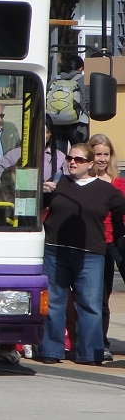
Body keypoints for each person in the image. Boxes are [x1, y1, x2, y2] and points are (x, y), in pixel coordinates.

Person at [39, 143, 125, 365]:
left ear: (90, 164)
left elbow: (121, 211)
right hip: (56, 251)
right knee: (54, 303)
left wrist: (119, 237)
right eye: (69, 158)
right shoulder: (58, 183)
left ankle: (90, 353)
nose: (72, 163)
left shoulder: (106, 190)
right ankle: (51, 350)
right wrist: (43, 193)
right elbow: (36, 208)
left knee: (90, 305)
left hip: (90, 254)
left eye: (78, 159)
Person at [88, 134, 125, 363]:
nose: (102, 159)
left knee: (105, 295)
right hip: (93, 243)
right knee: (97, 297)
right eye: (97, 154)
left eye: (105, 154)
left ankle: (102, 342)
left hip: (115, 243)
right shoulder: (85, 181)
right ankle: (98, 343)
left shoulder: (118, 183)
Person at [47, 54, 89, 153]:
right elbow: (86, 101)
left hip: (56, 122)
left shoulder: (56, 79)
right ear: (81, 68)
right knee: (80, 153)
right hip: (77, 125)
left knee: (59, 154)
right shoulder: (83, 80)